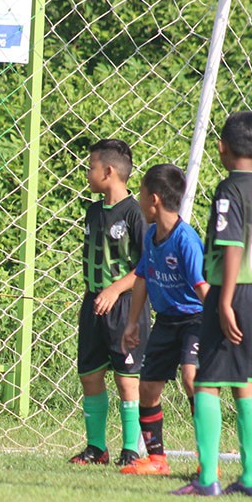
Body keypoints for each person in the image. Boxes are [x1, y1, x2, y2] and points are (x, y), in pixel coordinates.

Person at [174, 110, 252, 496]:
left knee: (207, 381)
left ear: (223, 148)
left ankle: (207, 478)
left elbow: (231, 245)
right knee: (247, 383)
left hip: (233, 290)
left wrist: (223, 301)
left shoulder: (230, 190)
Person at [120, 164, 209, 475]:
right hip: (166, 321)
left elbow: (202, 287)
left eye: (141, 195)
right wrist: (132, 323)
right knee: (148, 387)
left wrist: (218, 322)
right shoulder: (150, 236)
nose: (140, 201)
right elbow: (142, 278)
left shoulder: (186, 240)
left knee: (191, 377)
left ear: (153, 199)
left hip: (196, 319)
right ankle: (157, 460)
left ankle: (206, 460)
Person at [68, 139, 151, 466]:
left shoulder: (134, 213)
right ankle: (96, 447)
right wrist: (99, 293)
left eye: (90, 167)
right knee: (89, 375)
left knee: (126, 378)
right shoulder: (92, 211)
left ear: (109, 171)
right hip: (94, 304)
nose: (87, 173)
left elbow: (146, 265)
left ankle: (131, 448)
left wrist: (116, 290)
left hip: (126, 304)